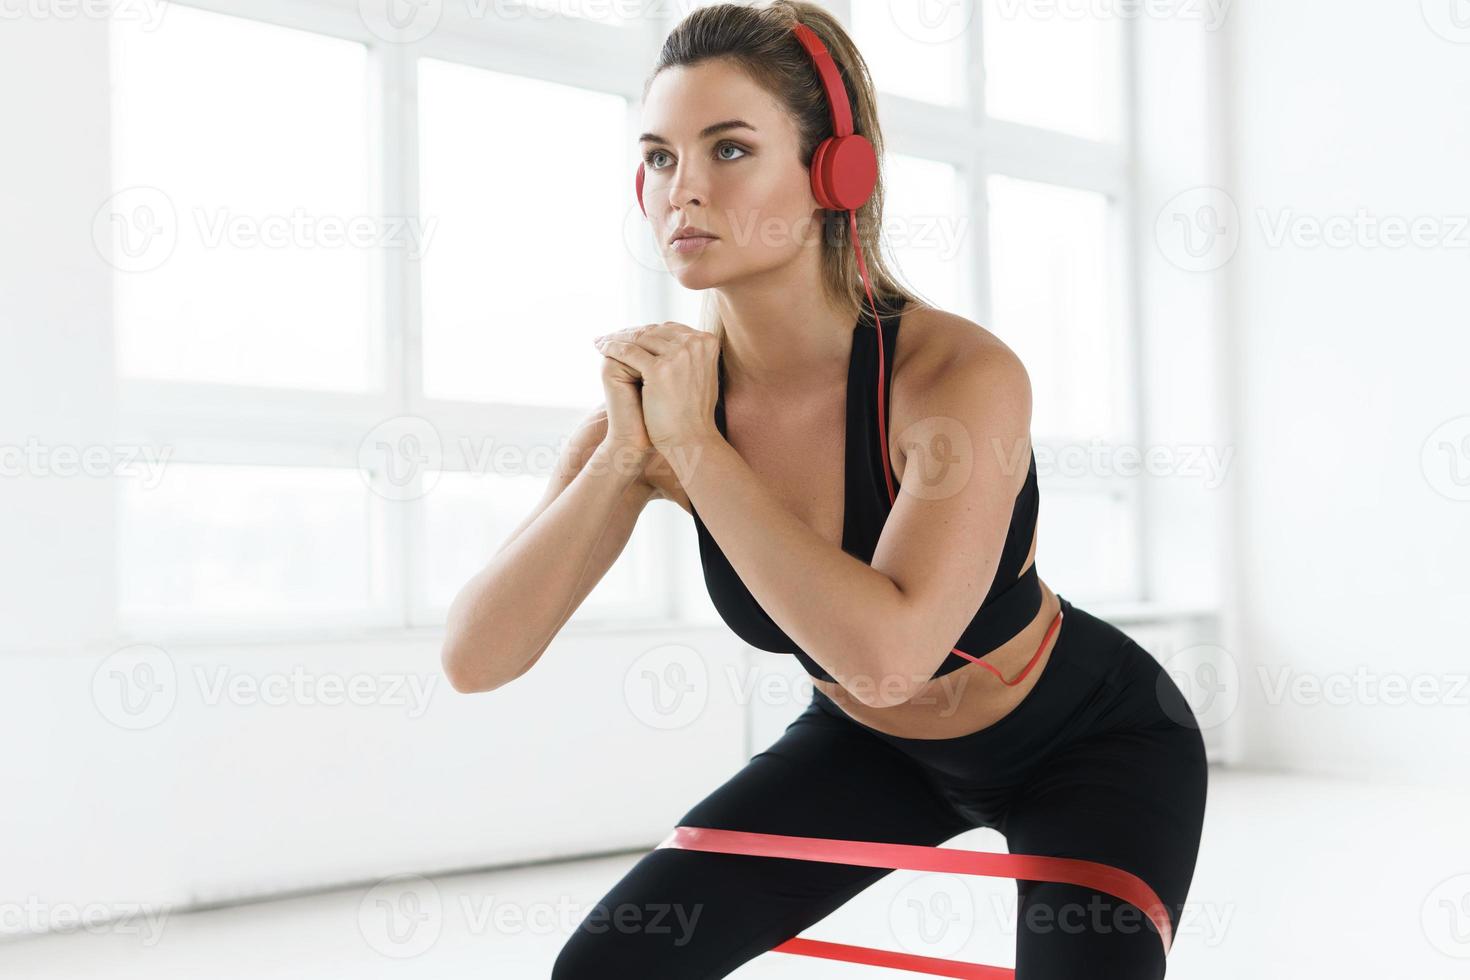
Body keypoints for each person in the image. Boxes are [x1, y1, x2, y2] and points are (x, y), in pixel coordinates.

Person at [441, 3, 1207, 977]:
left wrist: (696, 450)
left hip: (1095, 742)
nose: (683, 191)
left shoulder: (954, 375)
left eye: (728, 148)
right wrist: (627, 457)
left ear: (835, 171)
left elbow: (890, 655)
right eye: (660, 156)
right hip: (869, 749)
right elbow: (478, 657)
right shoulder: (661, 410)